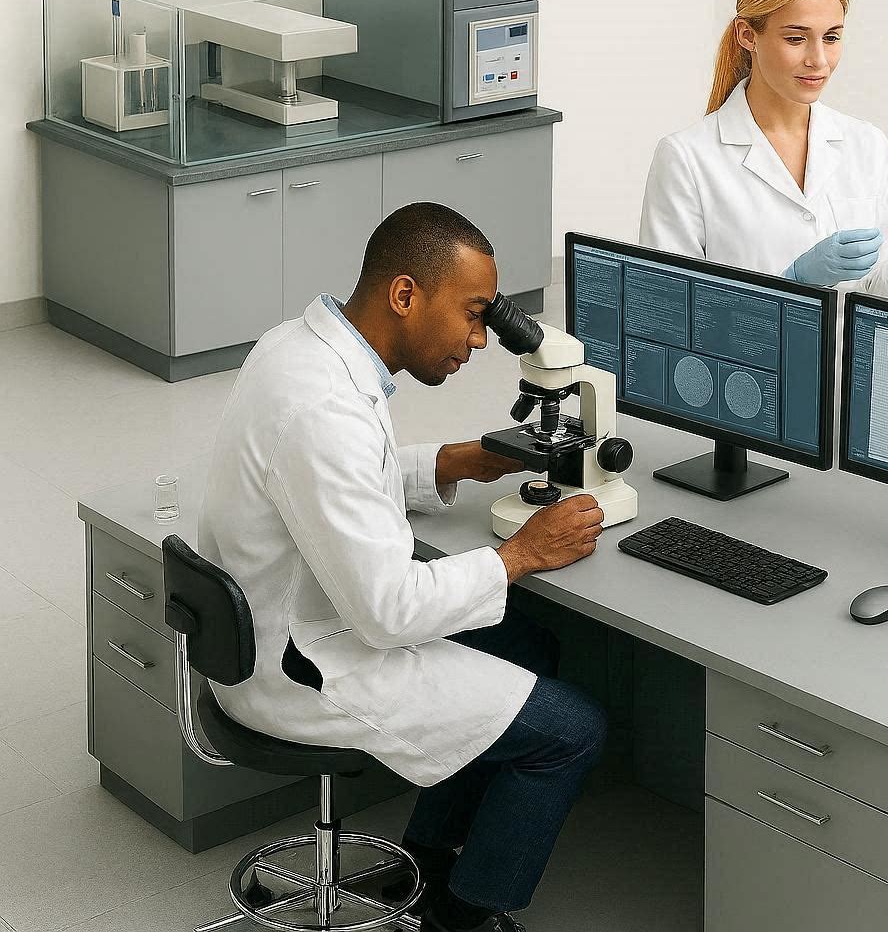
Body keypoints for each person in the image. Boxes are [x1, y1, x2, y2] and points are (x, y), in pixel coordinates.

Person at [200, 202, 608, 932]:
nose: (479, 339)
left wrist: (451, 463)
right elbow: (389, 611)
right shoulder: (325, 408)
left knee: (528, 646)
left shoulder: (298, 347)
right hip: (304, 666)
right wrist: (521, 555)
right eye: (473, 314)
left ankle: (430, 857)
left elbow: (346, 482)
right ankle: (465, 918)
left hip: (271, 630)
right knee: (572, 729)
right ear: (404, 294)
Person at [639, 0, 888, 299]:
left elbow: (878, 301)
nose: (818, 60)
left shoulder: (867, 144)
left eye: (831, 37)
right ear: (747, 35)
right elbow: (670, 309)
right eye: (796, 38)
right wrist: (795, 283)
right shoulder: (686, 158)